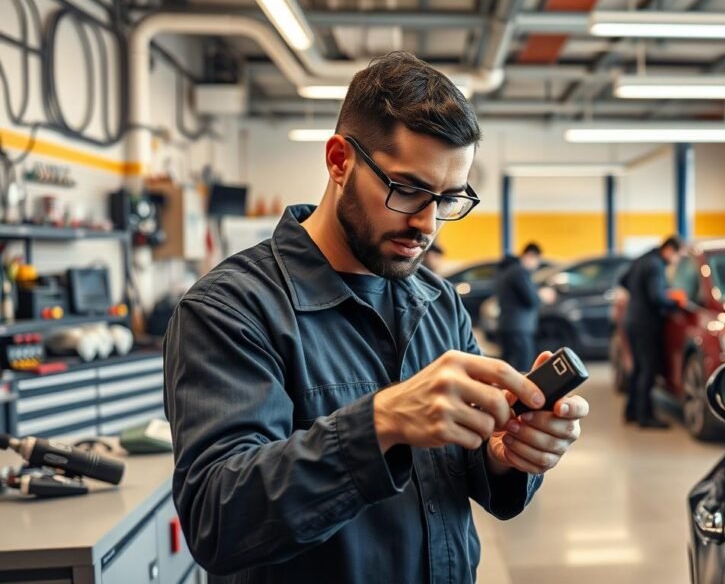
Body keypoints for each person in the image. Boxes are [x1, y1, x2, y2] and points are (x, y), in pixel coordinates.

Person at [163, 52, 589, 584]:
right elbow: (217, 519)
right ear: (340, 160)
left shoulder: (438, 302)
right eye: (407, 189)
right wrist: (380, 424)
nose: (427, 223)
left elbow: (470, 469)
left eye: (448, 199)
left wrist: (507, 454)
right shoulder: (231, 310)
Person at [621, 236, 683, 429]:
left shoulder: (642, 259)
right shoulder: (656, 265)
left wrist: (636, 296)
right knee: (648, 369)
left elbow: (623, 280)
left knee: (638, 368)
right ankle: (645, 417)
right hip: (646, 323)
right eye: (677, 257)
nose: (676, 262)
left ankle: (631, 411)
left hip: (632, 319)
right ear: (670, 250)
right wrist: (676, 302)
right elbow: (656, 297)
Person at [495, 242, 543, 372]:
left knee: (508, 369)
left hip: (507, 326)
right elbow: (531, 299)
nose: (536, 265)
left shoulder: (507, 270)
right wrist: (542, 295)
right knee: (523, 369)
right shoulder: (519, 272)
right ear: (530, 256)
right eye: (537, 260)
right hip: (519, 328)